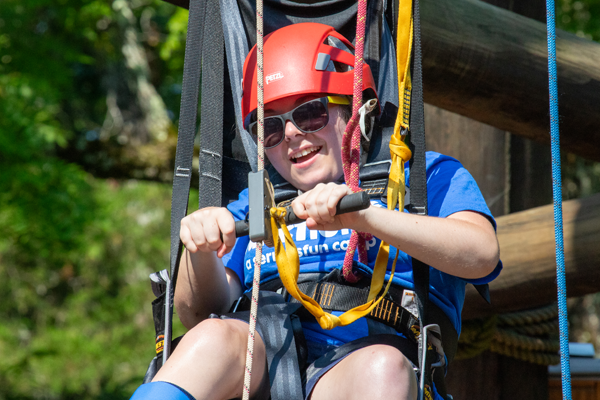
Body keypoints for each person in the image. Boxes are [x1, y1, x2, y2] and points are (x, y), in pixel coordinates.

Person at [130, 22, 501, 400]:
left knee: (382, 368)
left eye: (310, 114)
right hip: (264, 365)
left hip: (369, 363)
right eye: (270, 128)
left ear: (357, 112)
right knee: (210, 337)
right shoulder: (256, 206)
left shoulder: (421, 179)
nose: (291, 134)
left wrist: (367, 217)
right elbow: (198, 313)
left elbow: (482, 255)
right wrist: (200, 251)